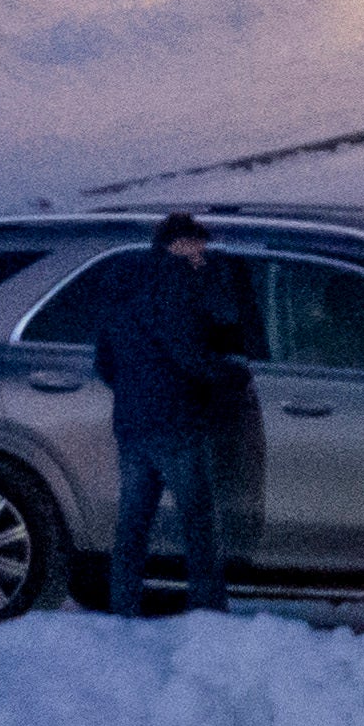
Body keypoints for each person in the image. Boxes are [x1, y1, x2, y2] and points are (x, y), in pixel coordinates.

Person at [83, 211, 257, 618]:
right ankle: (208, 611)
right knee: (198, 522)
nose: (203, 251)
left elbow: (104, 361)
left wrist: (133, 391)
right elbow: (190, 352)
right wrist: (231, 375)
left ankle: (122, 607)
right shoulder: (177, 283)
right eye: (198, 243)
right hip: (176, 421)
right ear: (177, 244)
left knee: (133, 523)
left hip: (131, 422)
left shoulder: (123, 283)